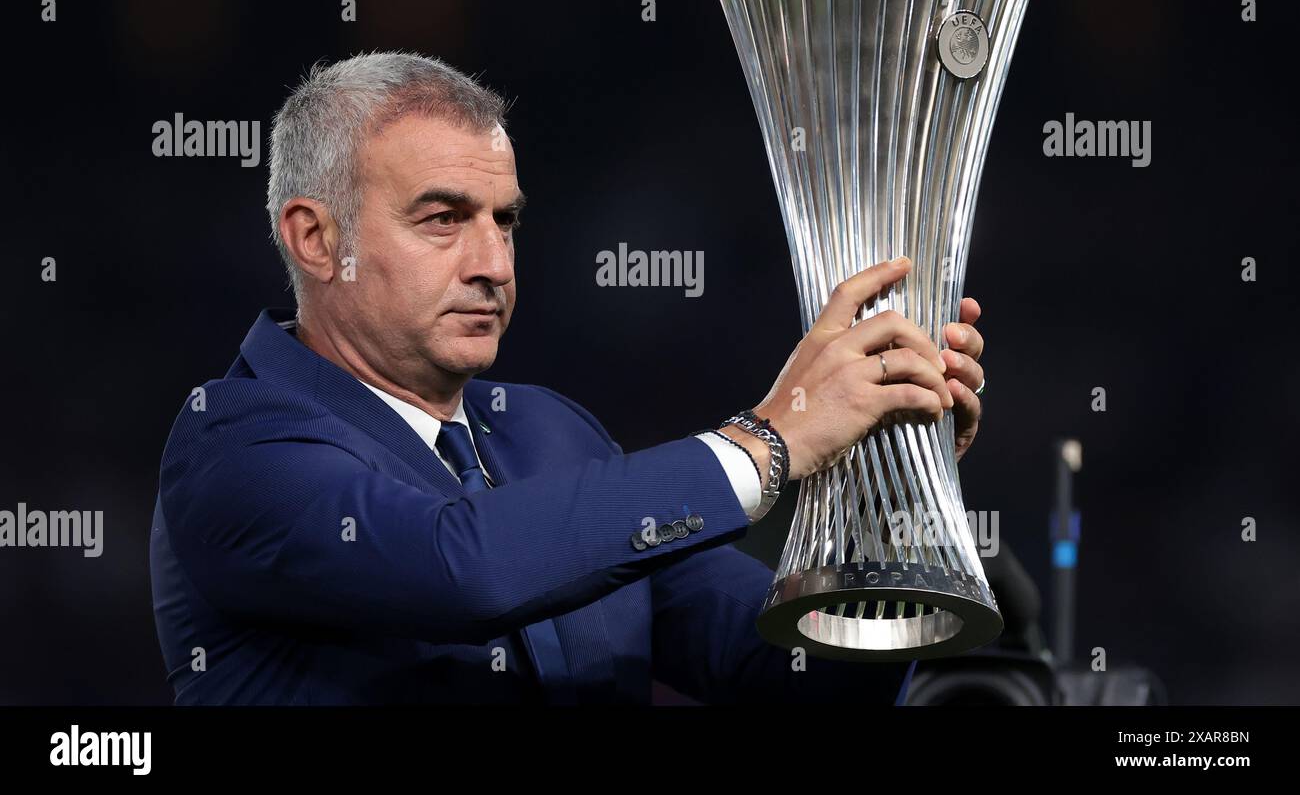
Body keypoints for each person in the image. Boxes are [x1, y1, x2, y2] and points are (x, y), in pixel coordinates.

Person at [149, 51, 987, 704]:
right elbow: (464, 568)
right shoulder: (235, 447)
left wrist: (887, 478)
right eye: (442, 220)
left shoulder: (550, 432)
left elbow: (793, 677)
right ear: (316, 239)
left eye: (503, 221)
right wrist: (769, 440)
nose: (492, 264)